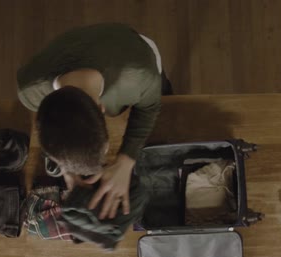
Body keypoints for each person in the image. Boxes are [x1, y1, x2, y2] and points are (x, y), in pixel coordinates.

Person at [17, 23, 171, 220]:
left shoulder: (139, 74)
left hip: (134, 48)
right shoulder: (29, 92)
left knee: (165, 96)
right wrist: (67, 168)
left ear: (102, 109)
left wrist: (126, 161)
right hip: (79, 50)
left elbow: (150, 107)